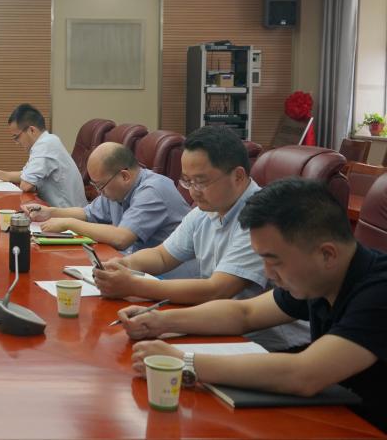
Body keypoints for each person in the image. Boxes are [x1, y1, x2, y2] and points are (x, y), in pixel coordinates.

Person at [122, 178, 387, 432]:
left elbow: (304, 374)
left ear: (327, 254)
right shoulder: (321, 277)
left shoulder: (379, 291)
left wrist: (184, 362)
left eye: (275, 261)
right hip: (337, 413)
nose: (268, 273)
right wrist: (159, 321)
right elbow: (245, 313)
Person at [92, 125, 305, 350]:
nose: (193, 191)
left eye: (201, 181)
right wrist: (125, 264)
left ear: (238, 176)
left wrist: (133, 285)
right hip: (221, 326)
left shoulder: (261, 219)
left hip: (271, 345)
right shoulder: (207, 210)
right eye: (187, 180)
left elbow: (217, 290)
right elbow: (162, 256)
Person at [20, 142, 189, 253]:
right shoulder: (117, 189)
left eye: (100, 185)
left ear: (124, 176)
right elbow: (87, 213)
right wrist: (50, 212)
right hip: (137, 267)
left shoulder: (153, 190)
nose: (100, 192)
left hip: (170, 280)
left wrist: (68, 223)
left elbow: (121, 238)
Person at [0, 103, 86, 208]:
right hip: (57, 212)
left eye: (16, 137)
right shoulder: (47, 142)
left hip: (68, 216)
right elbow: (25, 175)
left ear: (32, 130)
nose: (17, 142)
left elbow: (26, 185)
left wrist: (26, 181)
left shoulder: (46, 145)